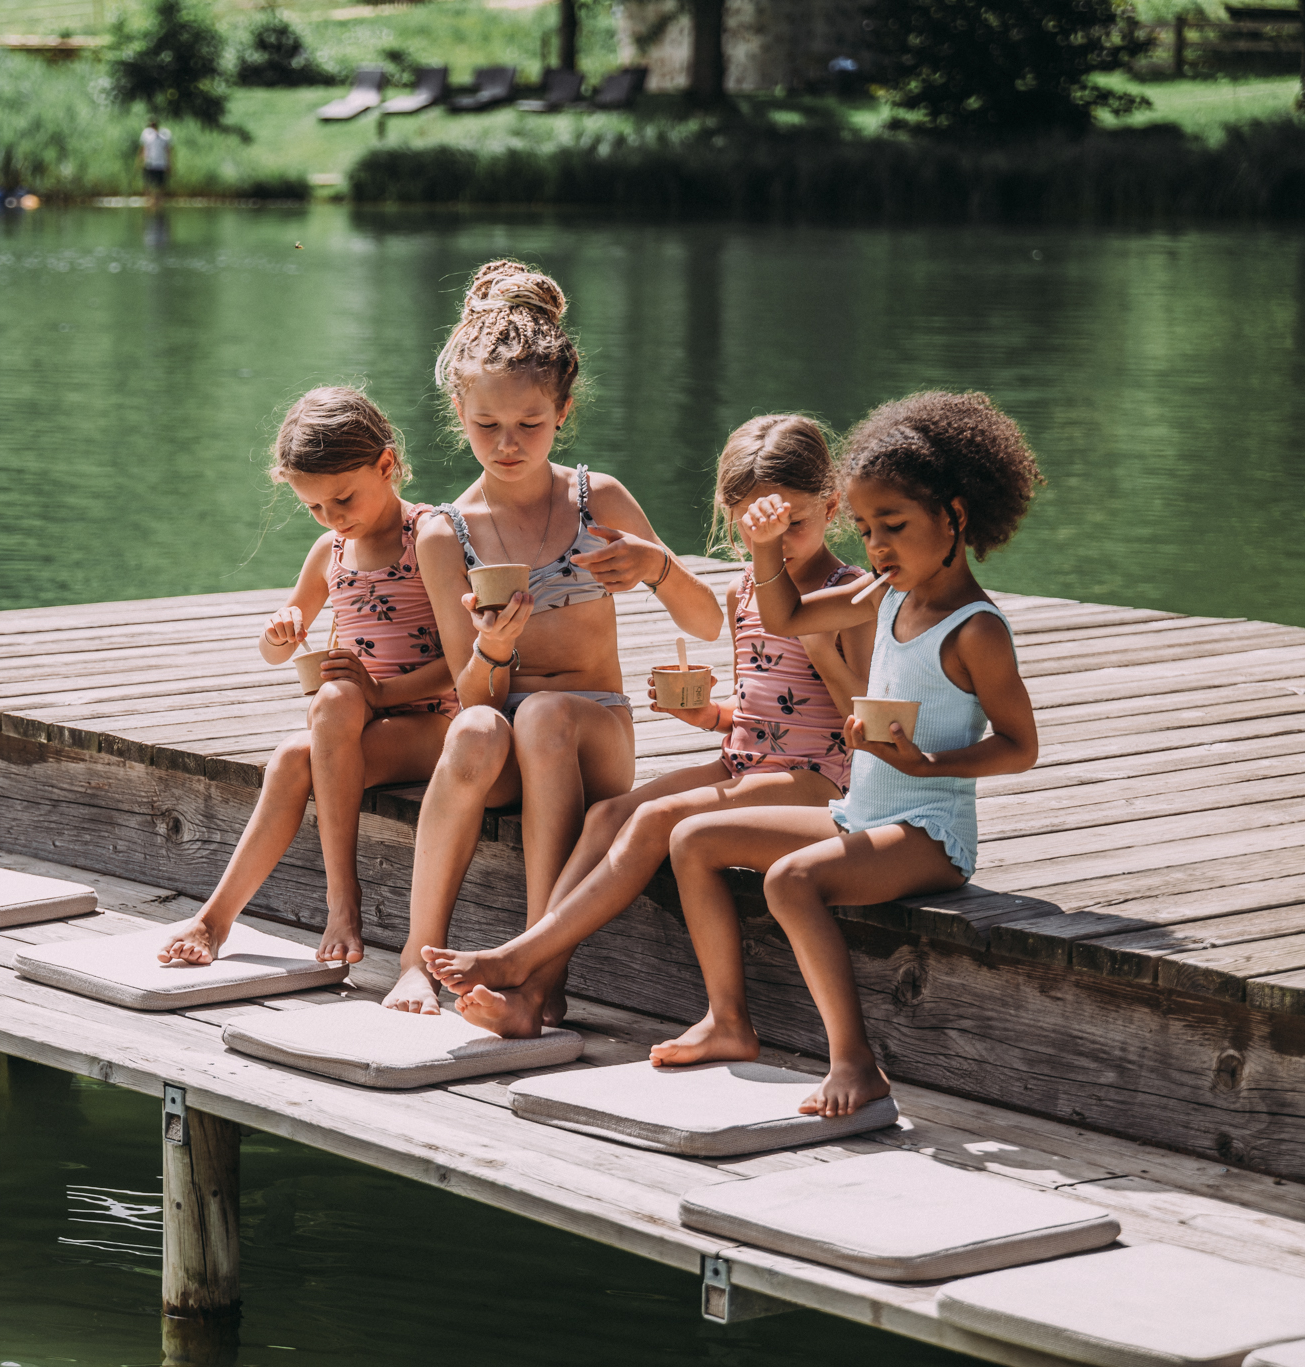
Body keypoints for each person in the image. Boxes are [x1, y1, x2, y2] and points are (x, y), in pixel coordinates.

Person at [655, 390, 1045, 1117]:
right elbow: (787, 615)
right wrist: (768, 547)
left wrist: (931, 767)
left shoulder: (976, 629)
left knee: (791, 882)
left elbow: (1021, 747)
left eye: (893, 526)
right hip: (858, 812)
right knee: (692, 838)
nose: (878, 547)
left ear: (955, 517)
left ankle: (856, 1063)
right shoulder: (886, 594)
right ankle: (728, 1020)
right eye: (865, 529)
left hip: (931, 831)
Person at [424, 414, 874, 1036]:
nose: (776, 543)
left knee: (657, 819)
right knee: (608, 816)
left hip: (820, 777)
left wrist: (823, 651)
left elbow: (871, 715)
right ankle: (539, 994)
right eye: (756, 531)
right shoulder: (745, 589)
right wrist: (709, 716)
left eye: (794, 524)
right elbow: (760, 717)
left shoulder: (851, 594)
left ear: (831, 507)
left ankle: (524, 966)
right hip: (747, 764)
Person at [385, 260, 724, 1014]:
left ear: (563, 411)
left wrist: (658, 567)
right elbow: (470, 692)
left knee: (543, 714)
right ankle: (416, 955)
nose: (508, 443)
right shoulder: (444, 533)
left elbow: (708, 621)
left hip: (595, 730)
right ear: (458, 410)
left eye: (530, 424)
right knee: (474, 728)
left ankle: (541, 969)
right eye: (487, 426)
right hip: (510, 740)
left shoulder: (594, 498)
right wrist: (495, 648)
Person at [159, 387, 457, 968]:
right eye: (316, 508)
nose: (333, 518)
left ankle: (342, 900)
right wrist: (279, 633)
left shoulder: (428, 538)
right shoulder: (330, 553)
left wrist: (378, 694)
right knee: (295, 755)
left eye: (343, 499)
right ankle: (214, 919)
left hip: (436, 722)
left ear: (387, 465)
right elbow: (278, 651)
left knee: (335, 701)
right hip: (360, 720)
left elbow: (464, 663)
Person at [139, 117, 172, 202]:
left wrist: (169, 164)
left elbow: (168, 150)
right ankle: (149, 201)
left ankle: (158, 202)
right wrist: (141, 161)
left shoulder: (165, 135)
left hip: (161, 164)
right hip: (149, 164)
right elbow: (143, 149)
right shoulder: (146, 134)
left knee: (160, 185)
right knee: (148, 184)